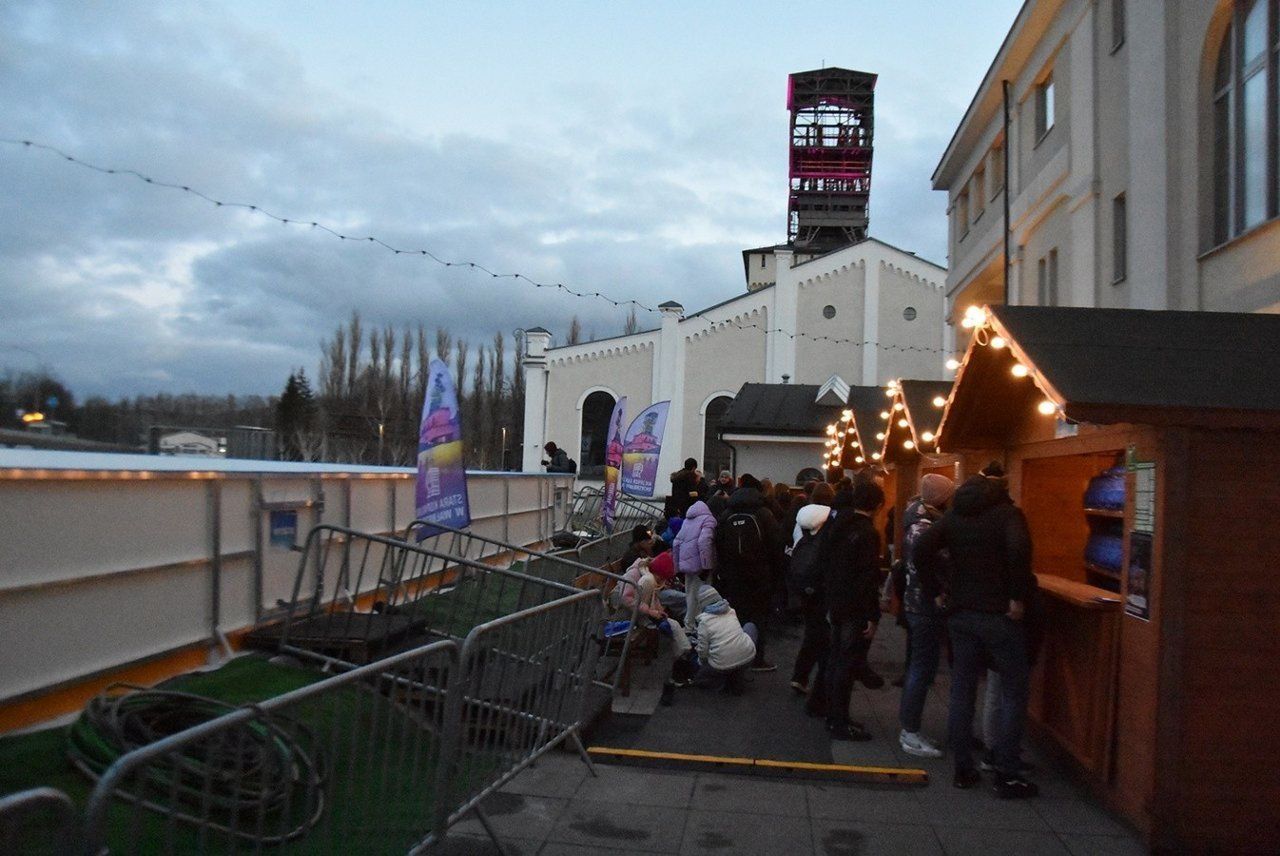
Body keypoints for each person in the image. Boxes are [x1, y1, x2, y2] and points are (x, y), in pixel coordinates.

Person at [914, 462, 1038, 798]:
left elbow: (921, 547)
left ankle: (963, 769)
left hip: (960, 613)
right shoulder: (1008, 515)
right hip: (1000, 615)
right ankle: (1007, 772)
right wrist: (1016, 595)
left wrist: (934, 589)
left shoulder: (954, 516)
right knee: (1013, 692)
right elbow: (1018, 550)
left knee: (962, 690)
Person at [817, 481, 885, 740]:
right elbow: (867, 577)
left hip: (834, 600)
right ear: (878, 505)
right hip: (854, 607)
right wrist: (872, 614)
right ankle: (839, 721)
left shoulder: (836, 526)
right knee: (846, 662)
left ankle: (832, 713)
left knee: (836, 659)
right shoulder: (867, 533)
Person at [896, 473, 956, 759]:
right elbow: (925, 563)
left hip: (917, 603)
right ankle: (909, 731)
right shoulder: (924, 527)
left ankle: (911, 727)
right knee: (921, 669)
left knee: (921, 668)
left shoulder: (917, 520)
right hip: (924, 605)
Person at [714, 474, 784, 672]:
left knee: (736, 615)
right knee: (759, 616)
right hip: (760, 574)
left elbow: (718, 542)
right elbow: (776, 545)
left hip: (733, 575)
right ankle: (756, 658)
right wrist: (775, 574)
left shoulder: (727, 513)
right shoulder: (764, 513)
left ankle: (735, 655)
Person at [788, 482, 834, 695]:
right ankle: (815, 682)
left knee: (813, 629)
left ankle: (801, 676)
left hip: (802, 577)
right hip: (822, 579)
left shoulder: (801, 519)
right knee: (822, 632)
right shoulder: (832, 519)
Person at [692, 586, 758, 694]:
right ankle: (737, 673)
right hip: (748, 657)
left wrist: (702, 663)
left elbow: (703, 652)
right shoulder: (731, 611)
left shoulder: (704, 621)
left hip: (722, 665)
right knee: (750, 626)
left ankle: (724, 683)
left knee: (700, 679)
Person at [672, 499, 717, 630]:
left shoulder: (687, 521)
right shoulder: (709, 520)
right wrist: (707, 566)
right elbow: (704, 541)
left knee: (690, 597)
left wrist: (677, 568)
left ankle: (689, 625)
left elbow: (676, 543)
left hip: (687, 566)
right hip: (700, 567)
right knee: (703, 597)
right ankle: (697, 628)